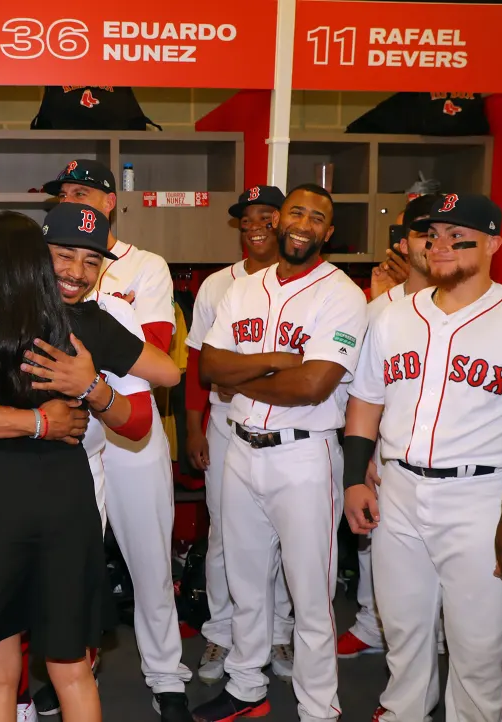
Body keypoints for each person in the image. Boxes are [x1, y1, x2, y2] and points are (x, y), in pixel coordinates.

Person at [0, 203, 185, 722]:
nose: (76, 272)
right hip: (62, 496)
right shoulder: (86, 323)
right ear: (39, 255)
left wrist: (90, 386)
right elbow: (170, 373)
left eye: (90, 261)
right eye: (63, 256)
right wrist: (53, 410)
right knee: (72, 670)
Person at [194, 184, 368, 722]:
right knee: (245, 584)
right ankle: (247, 687)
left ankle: (320, 707)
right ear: (278, 220)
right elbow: (208, 368)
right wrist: (272, 362)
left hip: (304, 457)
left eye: (318, 218)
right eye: (297, 212)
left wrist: (242, 380)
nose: (304, 224)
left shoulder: (341, 294)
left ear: (327, 233)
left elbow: (313, 384)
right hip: (240, 451)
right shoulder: (242, 289)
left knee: (311, 594)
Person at [33, 159, 192, 718]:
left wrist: (82, 350)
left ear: (109, 203)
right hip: (69, 430)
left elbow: (152, 348)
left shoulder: (144, 265)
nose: (72, 200)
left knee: (150, 557)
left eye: (83, 192)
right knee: (73, 560)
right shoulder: (46, 262)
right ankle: (72, 666)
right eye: (63, 194)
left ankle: (166, 673)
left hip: (132, 421)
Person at [345, 193, 502, 722]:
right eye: (432, 234)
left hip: (482, 497)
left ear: (492, 244)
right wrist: (355, 479)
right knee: (405, 628)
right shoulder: (395, 316)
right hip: (400, 492)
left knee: (478, 644)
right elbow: (366, 401)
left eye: (458, 234)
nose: (441, 244)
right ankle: (404, 709)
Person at [184, 186, 295, 684]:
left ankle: (278, 632)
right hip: (226, 424)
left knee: (285, 538)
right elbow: (198, 365)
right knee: (225, 535)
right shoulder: (217, 285)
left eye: (267, 215)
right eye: (246, 217)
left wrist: (237, 373)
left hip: (290, 427)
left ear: (285, 222)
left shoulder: (306, 285)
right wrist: (193, 427)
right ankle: (222, 632)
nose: (255, 225)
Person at [336, 193, 442, 661]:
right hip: (385, 450)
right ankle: (370, 623)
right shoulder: (379, 304)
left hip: (453, 463)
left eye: (423, 231)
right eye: (404, 232)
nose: (409, 242)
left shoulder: (476, 298)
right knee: (374, 545)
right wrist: (364, 458)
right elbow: (363, 391)